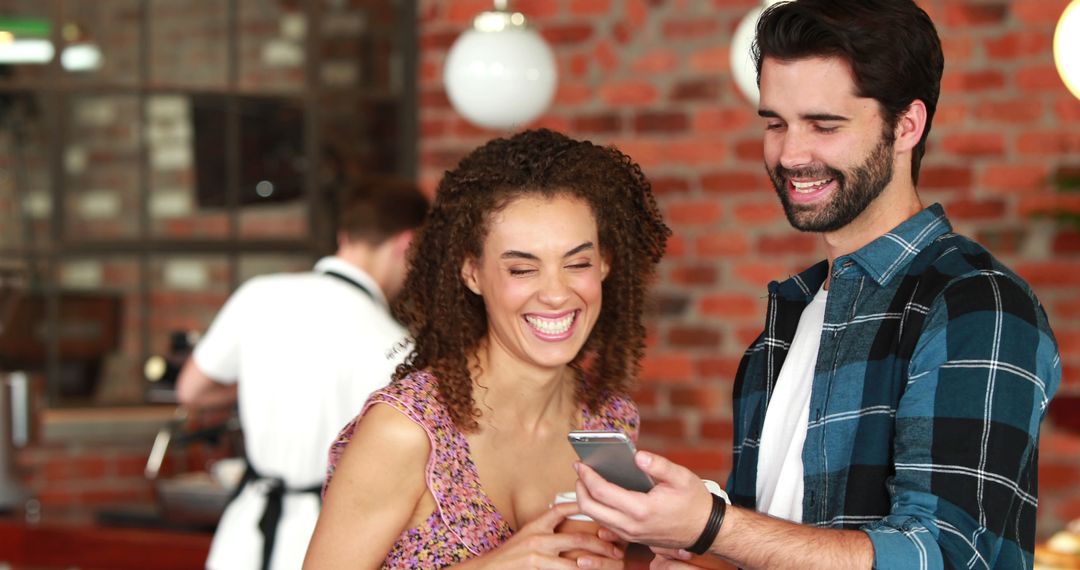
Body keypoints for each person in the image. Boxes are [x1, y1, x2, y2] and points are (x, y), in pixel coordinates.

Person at [573, 1, 1062, 569]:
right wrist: (708, 556)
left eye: (824, 125)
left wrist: (711, 525)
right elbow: (783, 544)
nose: (790, 154)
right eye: (776, 123)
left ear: (906, 125)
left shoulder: (978, 305)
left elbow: (947, 556)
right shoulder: (792, 319)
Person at [302, 128, 671, 569]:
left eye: (577, 263)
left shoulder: (608, 421)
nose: (556, 294)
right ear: (472, 272)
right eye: (521, 269)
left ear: (606, 264)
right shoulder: (407, 432)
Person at [176, 176, 429, 570]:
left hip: (243, 535)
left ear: (345, 235)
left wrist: (258, 386)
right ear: (407, 244)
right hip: (332, 540)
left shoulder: (259, 294)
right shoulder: (398, 348)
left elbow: (190, 390)